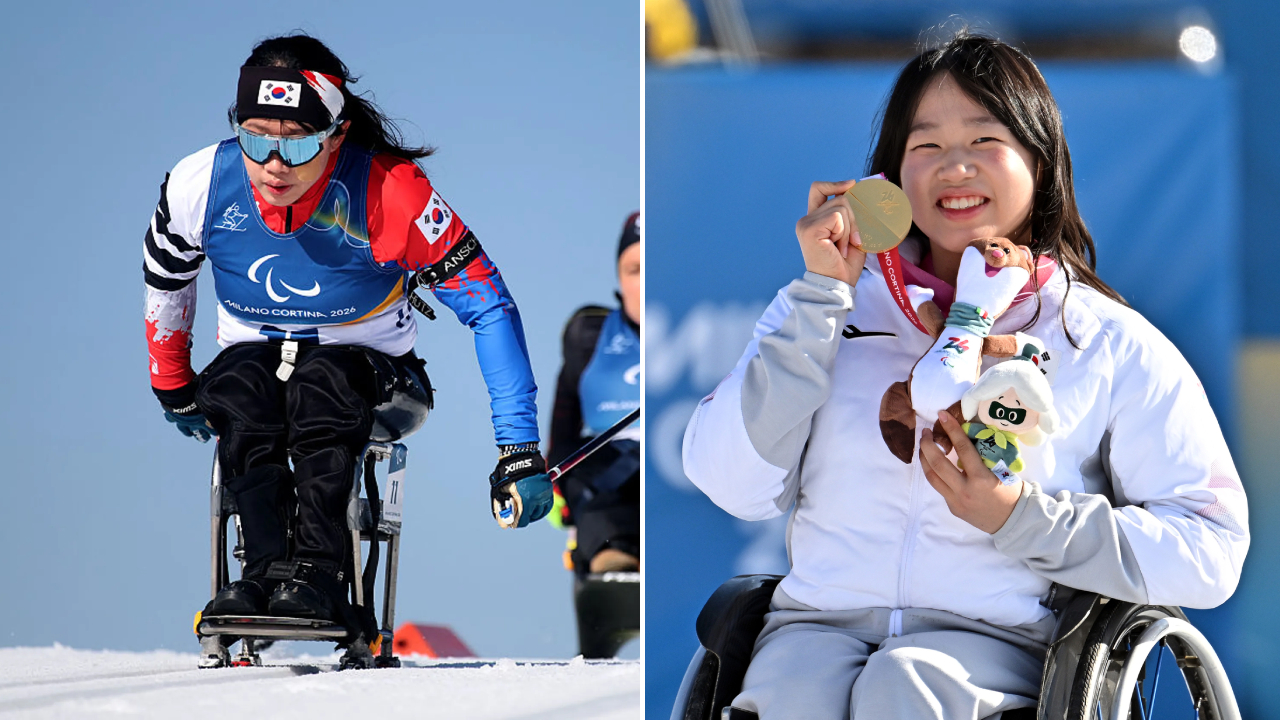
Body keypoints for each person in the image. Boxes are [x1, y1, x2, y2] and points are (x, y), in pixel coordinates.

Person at [681, 32, 1249, 719]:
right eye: (926, 146)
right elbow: (730, 482)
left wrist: (1022, 518)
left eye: (985, 139)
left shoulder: (1103, 340)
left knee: (905, 686)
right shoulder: (825, 304)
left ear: (1040, 161)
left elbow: (1209, 548)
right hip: (812, 630)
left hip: (1002, 649)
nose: (955, 167)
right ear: (889, 181)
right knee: (791, 697)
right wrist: (821, 296)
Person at [143, 34, 553, 626]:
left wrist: (518, 448)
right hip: (255, 360)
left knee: (320, 383)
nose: (274, 164)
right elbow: (166, 277)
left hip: (374, 374)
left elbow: (488, 306)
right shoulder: (199, 183)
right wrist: (172, 383)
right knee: (240, 387)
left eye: (297, 143)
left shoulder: (392, 191)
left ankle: (323, 571)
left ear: (336, 137)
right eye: (255, 138)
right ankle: (262, 571)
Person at [548, 213, 641, 575]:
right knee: (594, 494)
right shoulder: (587, 336)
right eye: (635, 270)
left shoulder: (698, 334)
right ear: (619, 278)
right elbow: (561, 434)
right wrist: (558, 489)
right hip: (607, 476)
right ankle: (613, 570)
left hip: (674, 471)